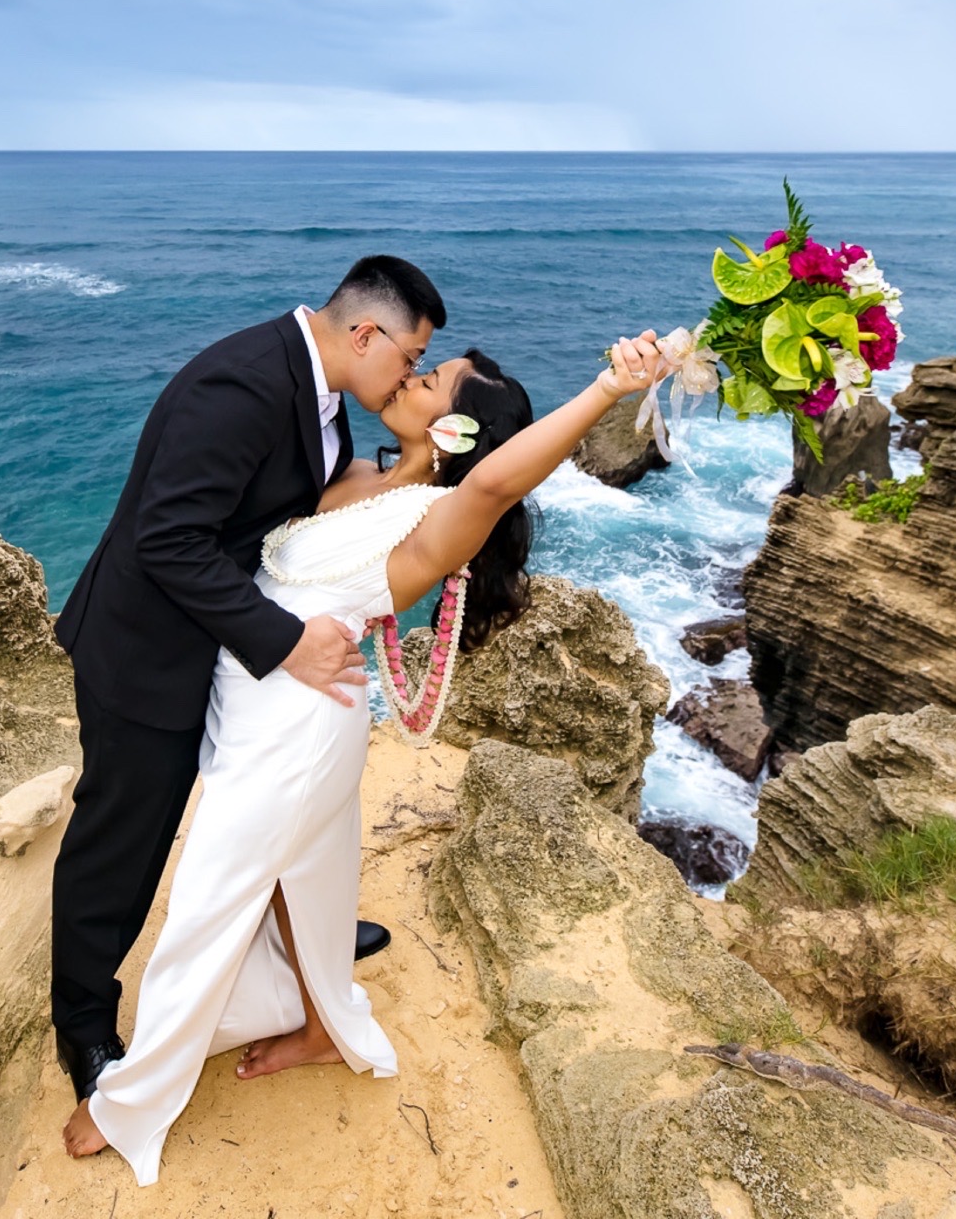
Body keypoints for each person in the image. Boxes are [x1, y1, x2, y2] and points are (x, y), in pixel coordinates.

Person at [64, 327, 669, 1184]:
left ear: (458, 431)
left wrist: (608, 389)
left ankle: (130, 1102)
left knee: (207, 898)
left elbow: (500, 476)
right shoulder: (361, 475)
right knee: (302, 885)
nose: (414, 375)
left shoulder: (442, 518)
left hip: (297, 731)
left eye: (435, 380)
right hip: (257, 704)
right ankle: (320, 1026)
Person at [49, 256, 449, 1106]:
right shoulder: (243, 385)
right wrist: (284, 641)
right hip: (144, 653)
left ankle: (307, 941)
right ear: (364, 333)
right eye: (410, 358)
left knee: (275, 812)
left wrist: (415, 461)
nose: (410, 375)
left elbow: (298, 507)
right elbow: (168, 540)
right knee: (121, 849)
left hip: (211, 646)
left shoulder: (321, 390)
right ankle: (83, 1028)